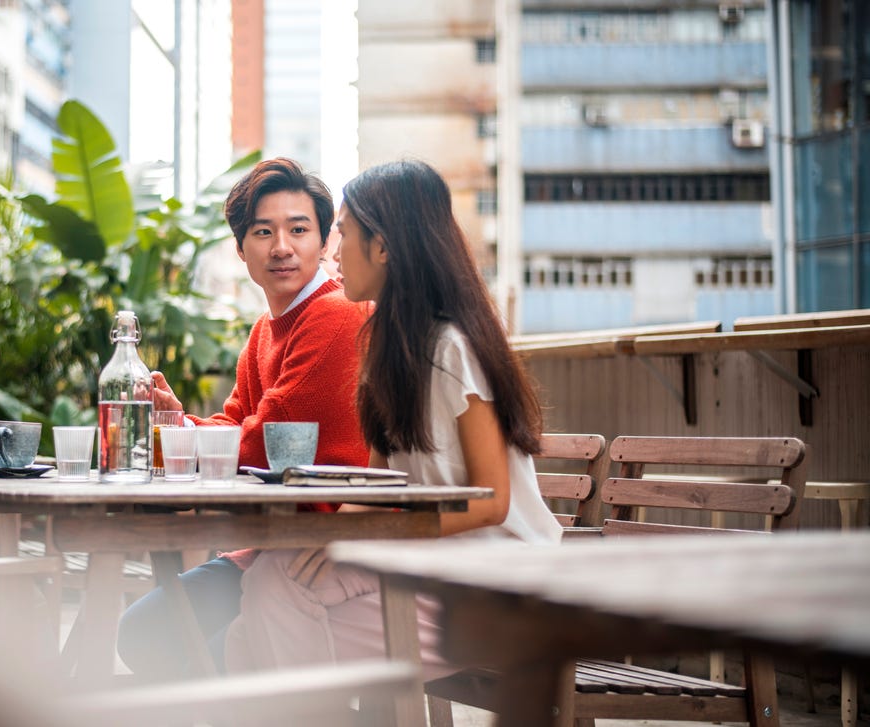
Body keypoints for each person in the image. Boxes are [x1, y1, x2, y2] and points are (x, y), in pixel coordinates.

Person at [223, 159, 562, 677]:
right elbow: (374, 486)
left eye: (343, 232)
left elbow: (492, 502)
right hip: (428, 561)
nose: (333, 252)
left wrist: (375, 538)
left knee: (265, 624)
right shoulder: (385, 347)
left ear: (382, 247)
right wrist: (333, 538)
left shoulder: (452, 348)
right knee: (269, 586)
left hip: (498, 580)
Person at [116, 157, 371, 681]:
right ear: (240, 249)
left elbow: (263, 442)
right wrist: (181, 424)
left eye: (299, 230)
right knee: (144, 632)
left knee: (185, 647)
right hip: (269, 547)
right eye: (263, 232)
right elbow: (238, 422)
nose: (282, 246)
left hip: (321, 550)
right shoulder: (265, 330)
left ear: (325, 242)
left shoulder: (336, 314)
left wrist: (191, 434)